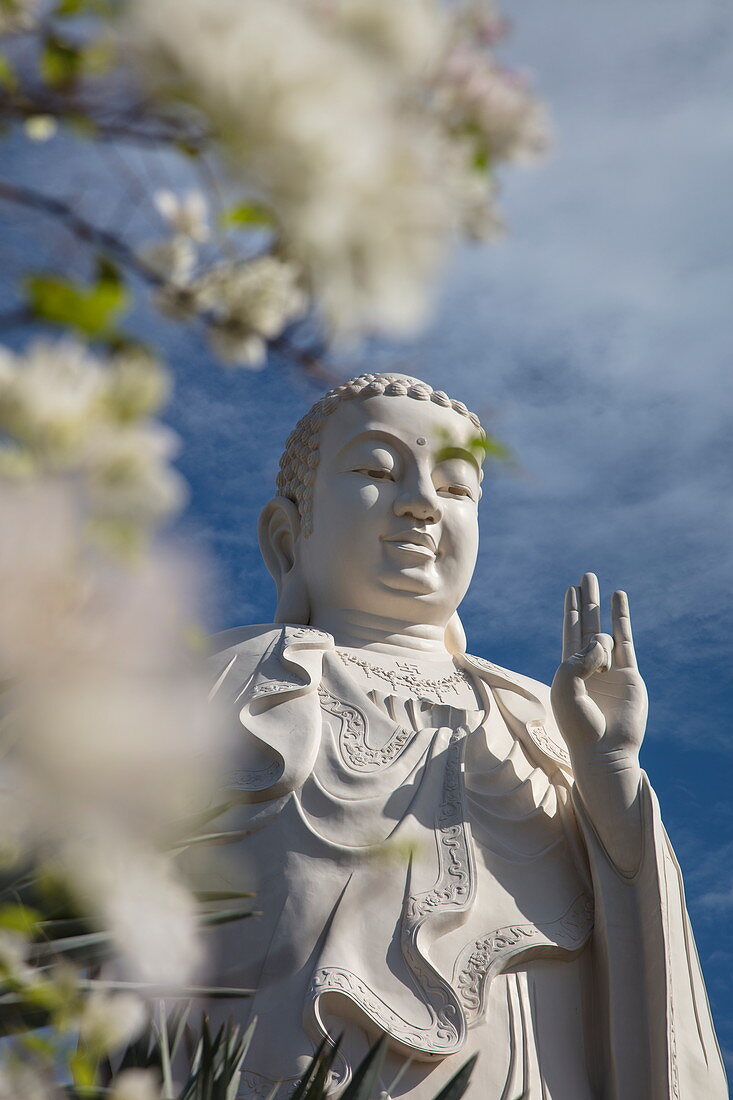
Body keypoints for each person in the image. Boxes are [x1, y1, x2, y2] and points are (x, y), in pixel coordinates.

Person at [205, 373, 727, 1099]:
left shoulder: (538, 716)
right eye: (375, 471)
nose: (420, 503)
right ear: (288, 534)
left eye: (455, 490)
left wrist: (608, 777)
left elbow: (632, 951)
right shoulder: (225, 685)